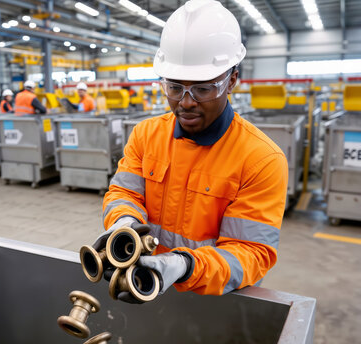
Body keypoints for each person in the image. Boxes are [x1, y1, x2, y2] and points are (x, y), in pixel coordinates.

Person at [93, 0, 288, 303]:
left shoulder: (261, 159)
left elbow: (251, 253)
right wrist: (124, 223)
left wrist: (184, 265)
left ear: (232, 80)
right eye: (174, 87)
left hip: (217, 298)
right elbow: (124, 194)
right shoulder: (146, 135)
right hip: (144, 286)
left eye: (203, 88)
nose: (185, 102)